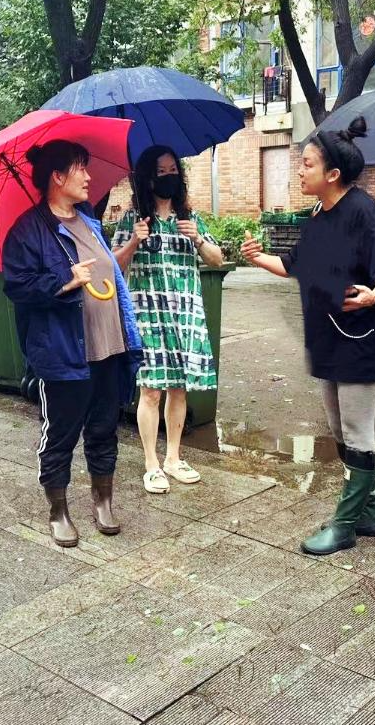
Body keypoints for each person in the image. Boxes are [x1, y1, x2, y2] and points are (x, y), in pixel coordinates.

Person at [240, 117, 375, 556]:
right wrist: (257, 258)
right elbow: (293, 265)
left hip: (361, 340)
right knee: (339, 429)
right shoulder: (318, 214)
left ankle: (344, 525)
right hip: (328, 338)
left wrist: (374, 295)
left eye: (307, 163)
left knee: (357, 431)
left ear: (332, 174)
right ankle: (369, 514)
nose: (299, 170)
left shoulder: (364, 212)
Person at [2, 140, 143, 548]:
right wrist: (65, 279)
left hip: (109, 346)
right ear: (57, 177)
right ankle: (58, 511)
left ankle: (103, 502)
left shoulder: (89, 221)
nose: (88, 176)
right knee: (61, 435)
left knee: (104, 429)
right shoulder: (27, 231)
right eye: (80, 168)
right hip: (64, 353)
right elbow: (17, 287)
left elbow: (109, 273)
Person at [112, 146, 224, 495]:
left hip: (185, 315)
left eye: (173, 169)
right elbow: (114, 266)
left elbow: (217, 259)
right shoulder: (133, 220)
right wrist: (134, 241)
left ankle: (174, 458)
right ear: (147, 178)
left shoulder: (190, 218)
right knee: (150, 390)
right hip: (149, 316)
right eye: (161, 171)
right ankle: (152, 464)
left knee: (179, 387)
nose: (168, 176)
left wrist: (198, 239)